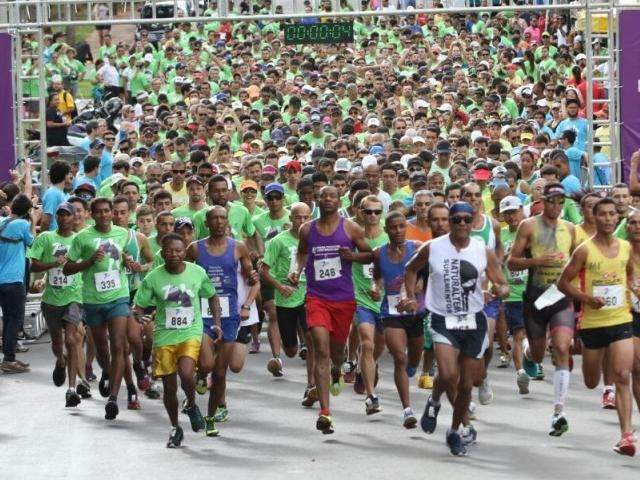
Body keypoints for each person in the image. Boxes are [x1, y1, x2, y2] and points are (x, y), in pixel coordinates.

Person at [401, 201, 509, 456]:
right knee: (449, 375)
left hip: (473, 320)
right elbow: (411, 269)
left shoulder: (483, 250)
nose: (462, 224)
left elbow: (502, 283)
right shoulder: (433, 247)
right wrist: (410, 295)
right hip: (442, 318)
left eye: (466, 219)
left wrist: (496, 291)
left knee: (467, 384)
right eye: (456, 219)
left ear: (473, 222)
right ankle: (452, 415)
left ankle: (452, 427)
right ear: (449, 221)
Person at [290, 186, 373, 434]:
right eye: (323, 196)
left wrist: (353, 257)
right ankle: (325, 413)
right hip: (316, 297)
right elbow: (302, 254)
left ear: (339, 201)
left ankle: (338, 368)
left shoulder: (350, 228)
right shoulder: (307, 229)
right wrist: (296, 271)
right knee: (320, 348)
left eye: (332, 196)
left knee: (337, 351)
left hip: (343, 299)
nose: (327, 199)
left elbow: (370, 254)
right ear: (316, 200)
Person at [558, 198, 636, 456]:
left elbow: (629, 276)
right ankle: (598, 374)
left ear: (618, 218)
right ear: (594, 216)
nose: (607, 219)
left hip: (621, 320)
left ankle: (626, 436)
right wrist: (587, 299)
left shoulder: (625, 247)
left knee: (623, 375)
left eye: (612, 214)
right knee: (591, 381)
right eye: (602, 214)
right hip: (592, 323)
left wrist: (633, 290)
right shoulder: (584, 250)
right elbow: (563, 283)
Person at [134, 233, 220, 448]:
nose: (174, 254)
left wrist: (216, 322)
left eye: (179, 251)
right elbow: (139, 307)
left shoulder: (197, 272)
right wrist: (139, 316)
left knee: (186, 373)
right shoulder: (153, 277)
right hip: (164, 336)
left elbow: (212, 295)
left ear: (185, 253)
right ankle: (175, 427)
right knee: (169, 388)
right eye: (169, 251)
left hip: (190, 332)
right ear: (162, 253)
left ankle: (191, 403)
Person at [508, 183, 577, 436]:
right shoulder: (529, 226)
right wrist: (537, 261)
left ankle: (559, 411)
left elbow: (578, 264)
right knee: (537, 356)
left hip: (560, 297)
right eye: (552, 201)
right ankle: (528, 351)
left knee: (561, 348)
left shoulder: (570, 229)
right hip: (535, 298)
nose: (556, 207)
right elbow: (512, 262)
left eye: (561, 202)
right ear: (542, 201)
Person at [187, 206, 259, 436]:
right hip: (203, 312)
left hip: (229, 315)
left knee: (220, 372)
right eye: (214, 218)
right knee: (207, 364)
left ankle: (211, 417)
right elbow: (181, 273)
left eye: (222, 218)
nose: (219, 222)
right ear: (206, 223)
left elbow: (252, 277)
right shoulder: (195, 249)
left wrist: (251, 283)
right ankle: (200, 375)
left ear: (227, 222)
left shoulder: (238, 247)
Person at [63, 197, 133, 420]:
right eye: (99, 212)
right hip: (93, 299)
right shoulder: (83, 237)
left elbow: (126, 256)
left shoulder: (123, 233)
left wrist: (128, 260)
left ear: (113, 213)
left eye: (107, 211)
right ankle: (107, 371)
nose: (104, 215)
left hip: (119, 296)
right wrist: (89, 262)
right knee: (102, 348)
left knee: (119, 344)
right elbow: (67, 268)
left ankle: (113, 398)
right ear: (91, 215)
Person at [28, 202, 90, 406]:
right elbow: (33, 264)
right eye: (60, 215)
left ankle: (72, 389)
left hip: (74, 296)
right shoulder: (46, 238)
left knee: (72, 340)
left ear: (74, 218)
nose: (63, 218)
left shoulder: (81, 240)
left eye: (67, 215)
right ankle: (61, 361)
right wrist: (55, 264)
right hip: (51, 299)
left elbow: (88, 265)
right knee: (57, 343)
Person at [261, 202, 317, 406]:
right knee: (292, 350)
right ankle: (287, 349)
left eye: (305, 217)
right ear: (291, 219)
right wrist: (280, 287)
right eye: (297, 217)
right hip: (285, 298)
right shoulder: (279, 241)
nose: (302, 221)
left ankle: (311, 386)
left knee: (311, 342)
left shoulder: (315, 240)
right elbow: (264, 270)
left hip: (308, 295)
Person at [372, 211, 423, 428]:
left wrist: (416, 289)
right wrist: (375, 288)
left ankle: (412, 366)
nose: (398, 231)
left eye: (402, 226)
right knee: (399, 358)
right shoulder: (379, 253)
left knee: (413, 360)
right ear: (386, 230)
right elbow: (376, 278)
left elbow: (425, 275)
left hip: (416, 312)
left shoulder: (418, 247)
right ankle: (407, 409)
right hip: (391, 313)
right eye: (393, 227)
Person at [461, 181, 503, 406]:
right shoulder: (455, 225)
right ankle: (466, 397)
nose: (473, 199)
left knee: (485, 342)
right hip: (463, 296)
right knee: (467, 346)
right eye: (468, 195)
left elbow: (499, 253)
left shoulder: (492, 224)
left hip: (487, 296)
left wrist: (497, 279)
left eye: (477, 195)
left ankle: (483, 375)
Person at [351, 195, 388, 410]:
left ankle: (364, 368)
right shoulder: (353, 235)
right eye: (368, 212)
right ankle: (371, 397)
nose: (373, 216)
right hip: (360, 298)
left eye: (377, 211)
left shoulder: (389, 235)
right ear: (360, 212)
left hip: (384, 301)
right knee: (366, 342)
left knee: (378, 347)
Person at [0, 194, 40, 373]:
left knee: (7, 319)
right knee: (13, 320)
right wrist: (34, 221)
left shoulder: (2, 222)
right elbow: (34, 244)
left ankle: (10, 357)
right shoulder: (22, 225)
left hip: (1, 280)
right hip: (14, 280)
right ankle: (9, 360)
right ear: (27, 211)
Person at [499, 195, 531, 394]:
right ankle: (520, 372)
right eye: (507, 213)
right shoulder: (501, 234)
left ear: (522, 210)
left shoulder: (532, 230)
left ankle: (532, 360)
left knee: (534, 335)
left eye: (514, 211)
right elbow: (495, 261)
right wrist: (506, 256)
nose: (511, 217)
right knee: (519, 334)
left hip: (534, 290)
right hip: (512, 293)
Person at [41, 160, 73, 231]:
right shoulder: (52, 193)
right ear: (64, 175)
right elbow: (45, 221)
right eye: (69, 173)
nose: (71, 176)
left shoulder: (66, 194)